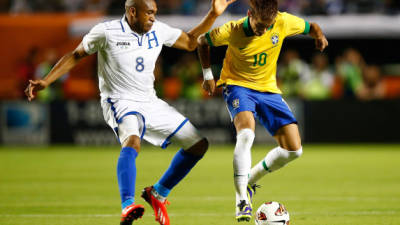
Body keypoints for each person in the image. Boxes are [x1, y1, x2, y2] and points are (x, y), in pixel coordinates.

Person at [24, 0, 235, 225]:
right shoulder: (106, 31)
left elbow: (192, 43)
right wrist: (46, 81)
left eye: (155, 13)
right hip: (119, 100)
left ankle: (158, 192)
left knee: (198, 144)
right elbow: (76, 55)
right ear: (133, 11)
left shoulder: (158, 30)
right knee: (132, 141)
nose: (153, 17)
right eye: (149, 13)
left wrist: (213, 14)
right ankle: (127, 205)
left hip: (149, 101)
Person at [197, 0, 328, 221]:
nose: (263, 30)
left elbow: (312, 26)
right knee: (247, 134)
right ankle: (241, 201)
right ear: (250, 14)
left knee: (294, 150)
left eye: (268, 26)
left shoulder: (283, 21)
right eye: (259, 25)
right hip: (238, 86)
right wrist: (208, 75)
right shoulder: (233, 29)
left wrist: (319, 37)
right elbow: (202, 41)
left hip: (268, 90)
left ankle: (248, 181)